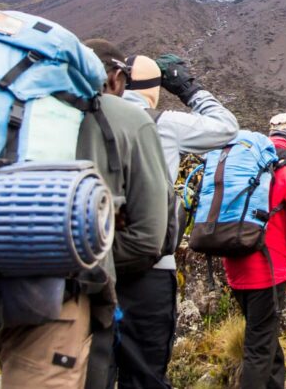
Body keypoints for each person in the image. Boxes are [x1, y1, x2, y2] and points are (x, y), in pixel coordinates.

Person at [105, 54, 237, 387]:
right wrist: (189, 89)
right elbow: (226, 127)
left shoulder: (81, 118)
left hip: (88, 263)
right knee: (145, 373)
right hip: (149, 266)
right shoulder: (164, 123)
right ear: (155, 88)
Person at [76, 39, 170, 389]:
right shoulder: (134, 121)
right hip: (111, 280)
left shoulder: (33, 114)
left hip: (21, 285)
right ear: (116, 78)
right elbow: (149, 236)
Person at [223, 113, 286, 389]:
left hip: (234, 261)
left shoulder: (243, 162)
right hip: (268, 269)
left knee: (263, 334)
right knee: (259, 346)